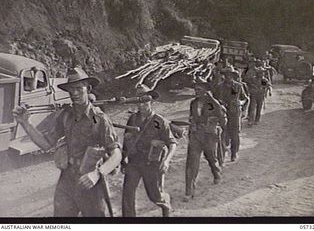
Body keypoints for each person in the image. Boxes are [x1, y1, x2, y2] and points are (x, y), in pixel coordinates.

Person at [12, 66, 122, 217]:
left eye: (78, 88)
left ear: (88, 88)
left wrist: (97, 174)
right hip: (67, 180)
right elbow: (46, 144)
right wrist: (25, 123)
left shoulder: (99, 118)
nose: (74, 93)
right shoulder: (65, 116)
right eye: (71, 89)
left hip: (89, 181)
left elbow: (116, 154)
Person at [121, 84, 177, 217]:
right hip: (134, 162)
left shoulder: (160, 121)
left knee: (154, 195)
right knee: (127, 193)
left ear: (151, 101)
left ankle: (165, 202)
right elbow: (126, 141)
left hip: (151, 163)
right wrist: (123, 161)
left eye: (144, 101)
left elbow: (172, 143)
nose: (141, 105)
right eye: (138, 101)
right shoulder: (133, 119)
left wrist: (166, 161)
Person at [184, 78, 226, 202]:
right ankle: (189, 190)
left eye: (199, 89)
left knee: (211, 158)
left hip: (209, 136)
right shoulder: (193, 103)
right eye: (195, 89)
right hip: (196, 135)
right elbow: (191, 117)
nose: (196, 92)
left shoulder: (213, 103)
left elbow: (223, 120)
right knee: (192, 163)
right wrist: (192, 124)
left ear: (206, 90)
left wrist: (213, 123)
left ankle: (216, 172)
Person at [216, 66, 248, 162]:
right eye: (226, 75)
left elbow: (246, 98)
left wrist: (241, 104)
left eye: (230, 74)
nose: (228, 76)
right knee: (223, 133)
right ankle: (223, 152)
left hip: (235, 113)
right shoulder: (219, 86)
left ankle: (234, 153)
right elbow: (213, 101)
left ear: (233, 76)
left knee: (235, 134)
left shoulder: (238, 86)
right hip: (223, 113)